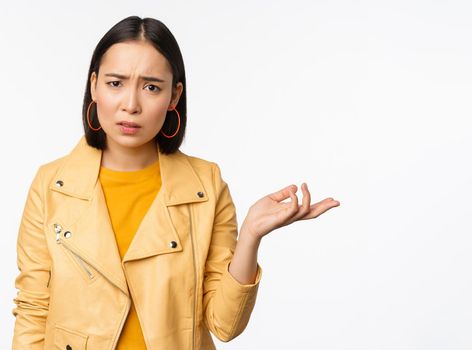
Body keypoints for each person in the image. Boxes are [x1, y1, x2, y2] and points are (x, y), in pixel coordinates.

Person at [11, 15, 340, 350]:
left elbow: (224, 325)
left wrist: (251, 235)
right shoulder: (52, 184)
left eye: (151, 86)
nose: (131, 104)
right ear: (94, 85)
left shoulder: (205, 185)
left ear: (174, 95)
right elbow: (33, 309)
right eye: (115, 83)